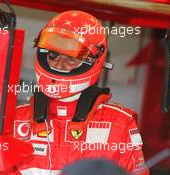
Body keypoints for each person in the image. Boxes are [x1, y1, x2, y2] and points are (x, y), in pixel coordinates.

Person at [11, 10, 149, 175]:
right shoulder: (15, 119)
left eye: (71, 59)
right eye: (53, 55)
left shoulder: (119, 125)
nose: (59, 65)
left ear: (94, 62)